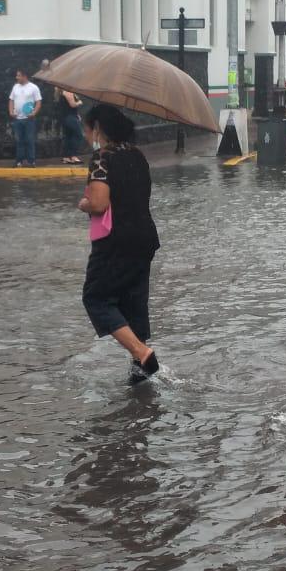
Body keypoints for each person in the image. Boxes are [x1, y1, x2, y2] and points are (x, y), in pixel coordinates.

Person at [78, 104, 161, 386]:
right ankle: (140, 376)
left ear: (98, 129)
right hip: (145, 238)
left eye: (88, 129)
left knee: (96, 298)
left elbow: (99, 204)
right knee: (133, 304)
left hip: (116, 241)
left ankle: (142, 352)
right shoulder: (137, 155)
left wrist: (84, 203)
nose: (86, 134)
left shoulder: (102, 158)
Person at [9, 70, 42, 167]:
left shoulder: (33, 87)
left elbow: (38, 101)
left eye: (18, 76)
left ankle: (31, 161)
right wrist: (11, 111)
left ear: (24, 76)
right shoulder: (15, 87)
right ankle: (19, 161)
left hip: (29, 119)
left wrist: (34, 113)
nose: (16, 77)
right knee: (19, 140)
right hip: (17, 119)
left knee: (29, 139)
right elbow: (11, 100)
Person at [58, 89, 85, 164]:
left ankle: (66, 157)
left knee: (68, 136)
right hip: (70, 118)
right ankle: (73, 156)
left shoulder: (64, 93)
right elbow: (72, 104)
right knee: (78, 135)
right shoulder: (68, 92)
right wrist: (79, 102)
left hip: (67, 117)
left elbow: (68, 107)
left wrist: (77, 114)